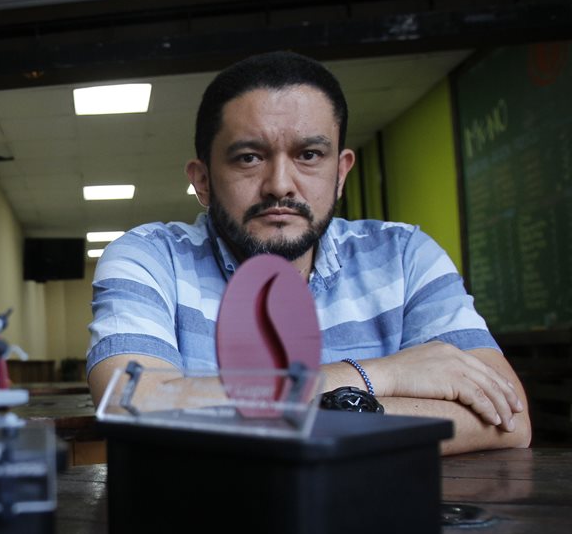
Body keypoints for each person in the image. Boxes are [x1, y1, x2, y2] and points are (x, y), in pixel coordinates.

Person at [87, 50, 530, 455]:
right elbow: (132, 406)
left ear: (340, 173)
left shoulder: (406, 255)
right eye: (248, 158)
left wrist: (228, 408)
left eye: (310, 154)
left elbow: (509, 419)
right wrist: (380, 377)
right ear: (202, 179)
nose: (280, 183)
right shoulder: (148, 258)